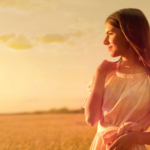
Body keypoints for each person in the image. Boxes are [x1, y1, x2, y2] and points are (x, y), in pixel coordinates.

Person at [82, 8, 150, 150]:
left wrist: (136, 137)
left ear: (129, 34)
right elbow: (91, 119)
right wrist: (100, 75)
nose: (104, 41)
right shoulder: (105, 74)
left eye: (110, 33)